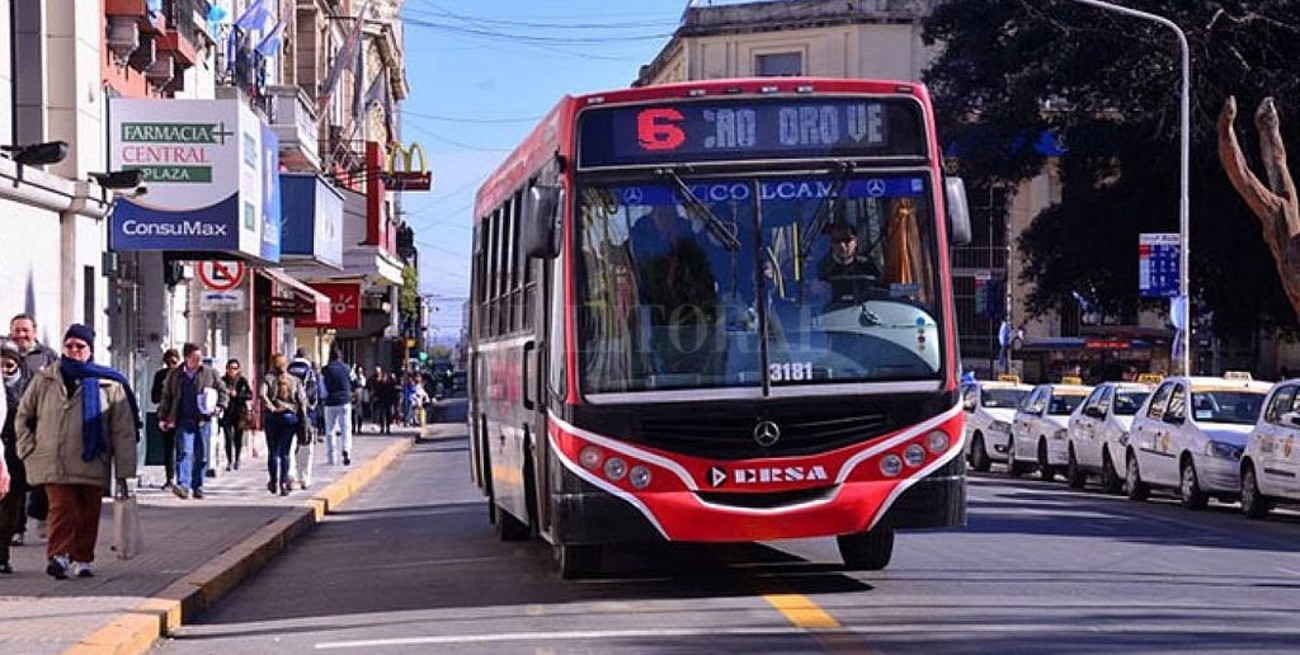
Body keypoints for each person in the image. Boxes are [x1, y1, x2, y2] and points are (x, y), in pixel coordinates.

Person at [15, 324, 140, 579]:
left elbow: (123, 430)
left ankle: (83, 558)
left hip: (93, 459)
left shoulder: (110, 383)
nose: (74, 351)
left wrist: (125, 471)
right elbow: (23, 415)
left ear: (90, 350)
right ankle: (58, 556)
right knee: (62, 508)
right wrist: (27, 449)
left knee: (88, 512)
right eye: (69, 346)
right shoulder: (46, 378)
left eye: (80, 346)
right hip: (54, 460)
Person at [8, 314, 57, 548]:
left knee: (41, 478)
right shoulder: (4, 353)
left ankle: (40, 516)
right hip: (9, 427)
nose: (21, 335)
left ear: (34, 332)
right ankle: (16, 528)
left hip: (40, 426)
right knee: (15, 481)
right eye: (16, 331)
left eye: (25, 330)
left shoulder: (47, 356)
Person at [158, 343, 227, 500]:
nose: (199, 361)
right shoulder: (175, 375)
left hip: (203, 420)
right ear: (187, 358)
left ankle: (198, 486)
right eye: (196, 358)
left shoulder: (210, 373)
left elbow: (223, 390)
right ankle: (184, 485)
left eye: (200, 358)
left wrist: (220, 406)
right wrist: (163, 417)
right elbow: (166, 396)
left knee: (201, 455)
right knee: (185, 452)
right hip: (183, 419)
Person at [259, 353, 308, 496]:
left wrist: (271, 407)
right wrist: (303, 417)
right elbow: (302, 400)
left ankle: (273, 480)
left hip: (273, 417)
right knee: (285, 452)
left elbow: (262, 394)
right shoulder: (295, 380)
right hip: (290, 417)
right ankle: (284, 483)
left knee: (273, 452)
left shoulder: (268, 379)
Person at [0, 340, 30, 574]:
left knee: (11, 507)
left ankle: (2, 554)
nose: (4, 366)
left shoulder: (28, 386)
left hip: (16, 454)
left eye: (9, 361)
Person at [815, 222, 883, 305]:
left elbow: (880, 292)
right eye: (837, 241)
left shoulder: (868, 266)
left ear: (856, 242)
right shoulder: (821, 268)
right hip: (829, 314)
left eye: (847, 240)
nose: (842, 245)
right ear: (832, 244)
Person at [286, 349, 320, 489]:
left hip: (288, 412)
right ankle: (304, 478)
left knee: (290, 445)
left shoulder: (287, 370)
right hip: (305, 414)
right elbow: (314, 393)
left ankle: (290, 475)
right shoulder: (310, 372)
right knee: (305, 447)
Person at [150, 348, 181, 489]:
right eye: (169, 361)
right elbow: (154, 397)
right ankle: (170, 478)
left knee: (182, 447)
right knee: (168, 448)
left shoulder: (183, 375)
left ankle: (182, 477)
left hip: (181, 415)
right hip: (165, 415)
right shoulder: (160, 375)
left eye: (174, 361)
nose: (171, 364)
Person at [320, 348, 356, 466]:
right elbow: (356, 382)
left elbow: (322, 387)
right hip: (345, 401)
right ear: (340, 356)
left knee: (330, 430)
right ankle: (346, 450)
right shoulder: (347, 368)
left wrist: (325, 397)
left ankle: (332, 458)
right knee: (346, 428)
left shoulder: (325, 370)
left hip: (330, 402)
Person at [219, 359, 253, 471]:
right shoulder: (222, 381)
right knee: (228, 437)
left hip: (239, 412)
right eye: (230, 368)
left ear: (238, 370)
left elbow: (249, 395)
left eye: (234, 368)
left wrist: (238, 395)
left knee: (238, 437)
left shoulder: (242, 381)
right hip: (227, 412)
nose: (232, 371)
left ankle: (237, 459)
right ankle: (229, 460)